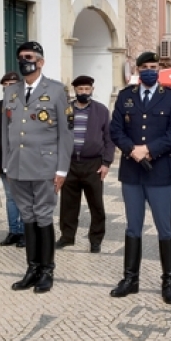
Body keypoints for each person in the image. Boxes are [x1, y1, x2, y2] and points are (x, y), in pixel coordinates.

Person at [109, 51, 171, 304]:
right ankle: (130, 279)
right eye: (145, 67)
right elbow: (115, 130)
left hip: (160, 173)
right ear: (138, 70)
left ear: (159, 69)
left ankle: (169, 281)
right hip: (132, 172)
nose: (150, 70)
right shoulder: (125, 96)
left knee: (165, 228)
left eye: (154, 66)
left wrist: (148, 150)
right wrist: (132, 149)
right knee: (133, 226)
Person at [3, 42, 74, 294]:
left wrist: (62, 170)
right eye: (21, 57)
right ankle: (32, 268)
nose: (24, 61)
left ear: (41, 61)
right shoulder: (11, 91)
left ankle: (47, 270)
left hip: (45, 165)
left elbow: (65, 134)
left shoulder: (55, 90)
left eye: (29, 57)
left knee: (43, 216)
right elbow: (6, 131)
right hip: (18, 166)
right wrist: (6, 164)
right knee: (27, 216)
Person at [57, 75, 115, 253]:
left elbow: (109, 138)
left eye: (87, 89)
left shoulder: (101, 111)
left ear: (92, 90)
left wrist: (106, 162)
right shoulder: (65, 109)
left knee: (96, 204)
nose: (84, 92)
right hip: (70, 163)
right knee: (68, 203)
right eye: (80, 89)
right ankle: (67, 237)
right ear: (75, 90)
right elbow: (56, 135)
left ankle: (96, 239)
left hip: (93, 164)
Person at [0, 71, 25, 247]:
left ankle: (26, 232)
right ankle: (14, 231)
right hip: (5, 160)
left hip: (25, 160)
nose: (8, 88)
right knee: (11, 197)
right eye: (5, 85)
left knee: (24, 197)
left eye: (12, 84)